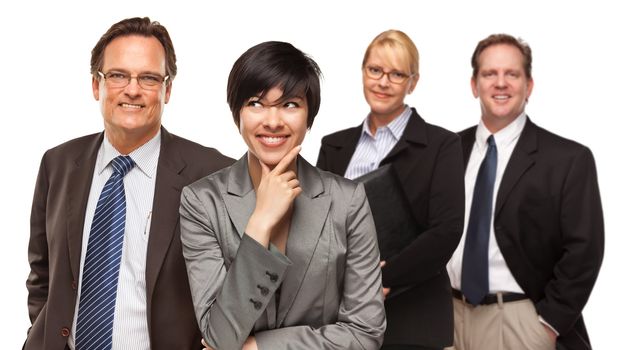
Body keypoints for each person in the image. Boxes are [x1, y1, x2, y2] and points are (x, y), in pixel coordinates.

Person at [24, 17, 233, 350]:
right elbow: (42, 274)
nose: (132, 89)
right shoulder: (58, 163)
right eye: (118, 75)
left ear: (168, 89)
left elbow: (239, 283)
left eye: (148, 78)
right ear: (97, 85)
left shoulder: (213, 173)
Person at [179, 41, 386, 350]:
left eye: (289, 104)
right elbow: (219, 337)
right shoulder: (202, 202)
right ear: (237, 113)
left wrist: (258, 347)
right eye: (256, 103)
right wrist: (260, 221)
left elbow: (365, 333)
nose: (272, 121)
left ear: (309, 116)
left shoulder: (347, 201)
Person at [446, 33, 604, 350]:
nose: (500, 83)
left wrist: (548, 325)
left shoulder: (567, 159)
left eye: (512, 74)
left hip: (520, 322)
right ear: (474, 85)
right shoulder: (447, 151)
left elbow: (584, 250)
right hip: (448, 319)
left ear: (528, 86)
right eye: (490, 74)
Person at [317, 30, 465, 350]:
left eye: (397, 74)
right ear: (362, 73)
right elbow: (319, 226)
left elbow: (446, 230)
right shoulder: (334, 146)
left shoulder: (442, 145)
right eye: (375, 70)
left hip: (416, 320)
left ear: (413, 82)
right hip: (343, 320)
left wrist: (382, 278)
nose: (383, 82)